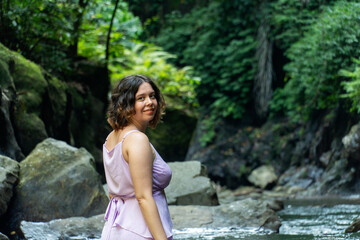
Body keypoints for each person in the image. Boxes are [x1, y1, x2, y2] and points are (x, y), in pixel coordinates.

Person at [101, 74, 173, 240]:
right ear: (126, 104)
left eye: (152, 96)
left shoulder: (111, 137)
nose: (149, 102)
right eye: (141, 98)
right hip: (142, 232)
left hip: (117, 229)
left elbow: (114, 193)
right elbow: (143, 197)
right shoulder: (137, 140)